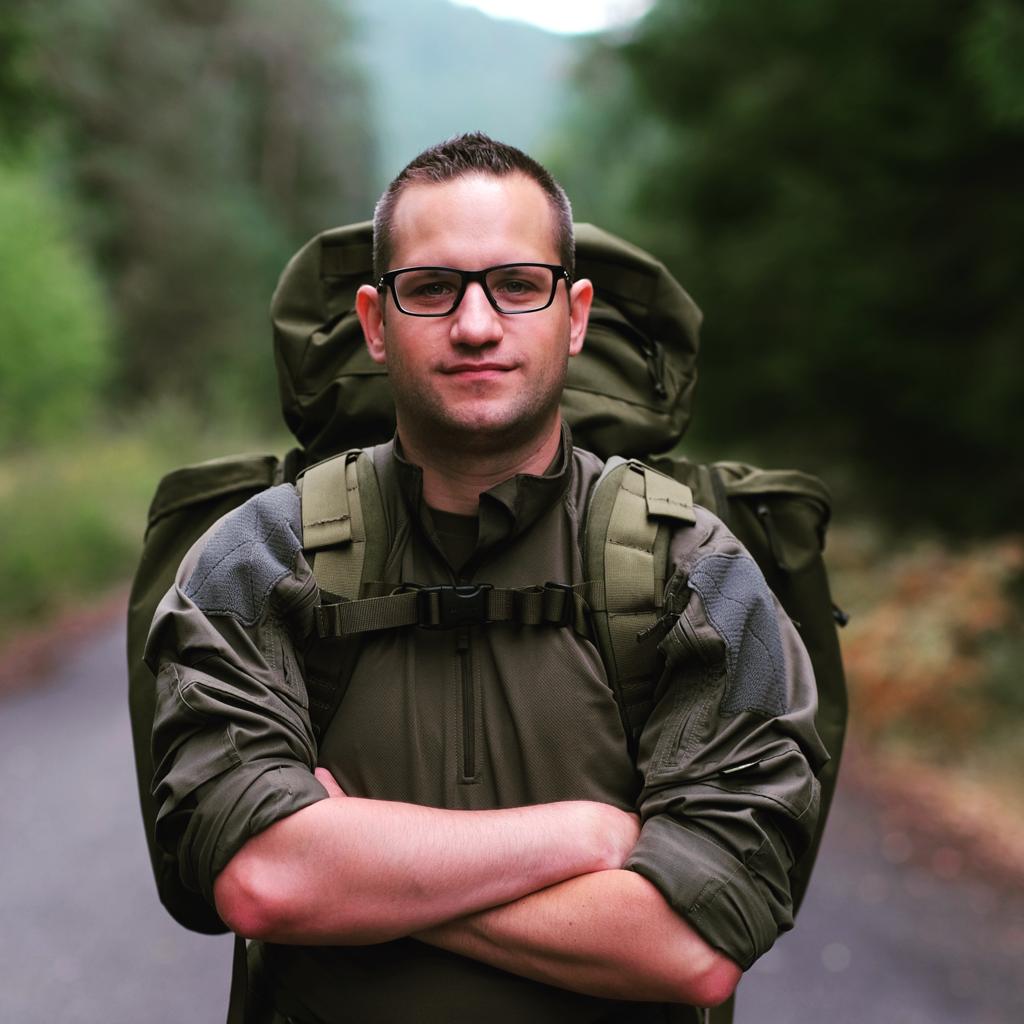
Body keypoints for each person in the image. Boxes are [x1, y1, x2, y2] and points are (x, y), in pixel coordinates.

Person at [146, 133, 827, 1023]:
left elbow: (698, 944)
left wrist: (355, 876)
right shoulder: (262, 557)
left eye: (516, 284)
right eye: (432, 288)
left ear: (574, 315)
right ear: (375, 322)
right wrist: (583, 837)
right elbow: (262, 880)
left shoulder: (692, 573)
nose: (475, 324)